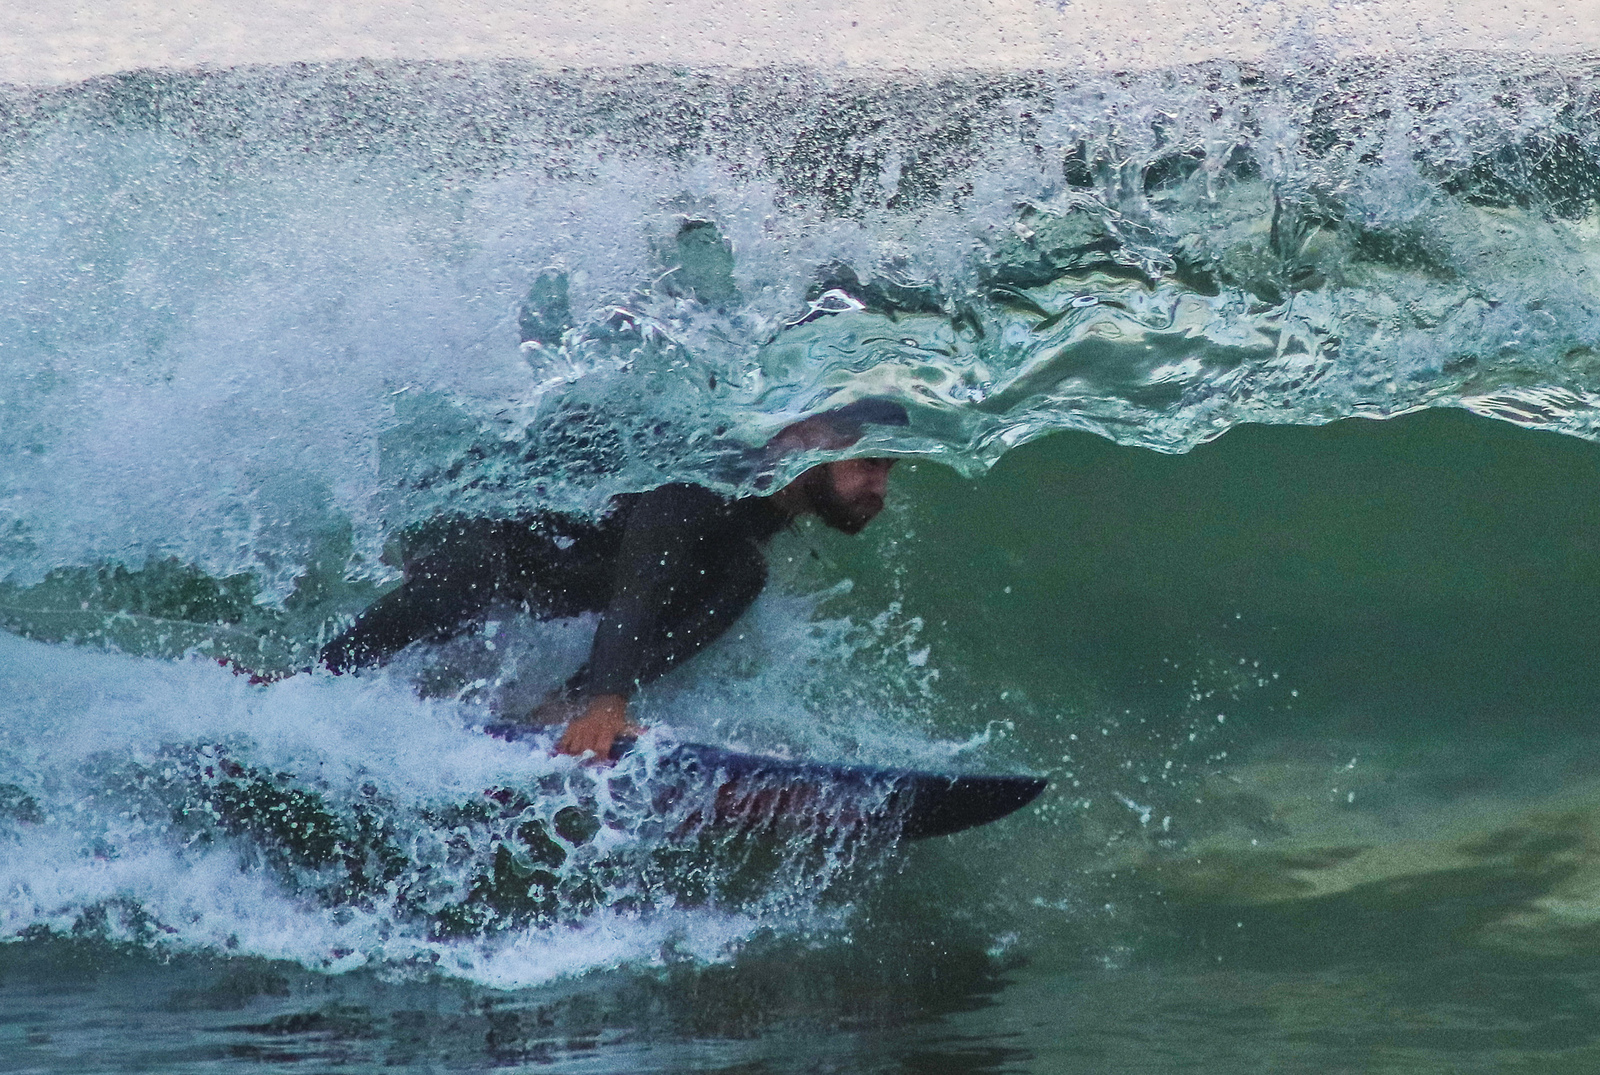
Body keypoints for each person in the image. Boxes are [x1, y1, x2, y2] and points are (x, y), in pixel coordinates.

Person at [319, 400, 907, 759]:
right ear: (804, 437)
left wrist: (591, 704)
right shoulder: (700, 479)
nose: (879, 489)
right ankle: (313, 683)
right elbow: (638, 590)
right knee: (467, 581)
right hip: (468, 515)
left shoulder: (748, 535)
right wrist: (609, 706)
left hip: (545, 571)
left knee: (741, 576)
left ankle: (558, 707)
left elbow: (657, 605)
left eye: (888, 469)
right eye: (868, 464)